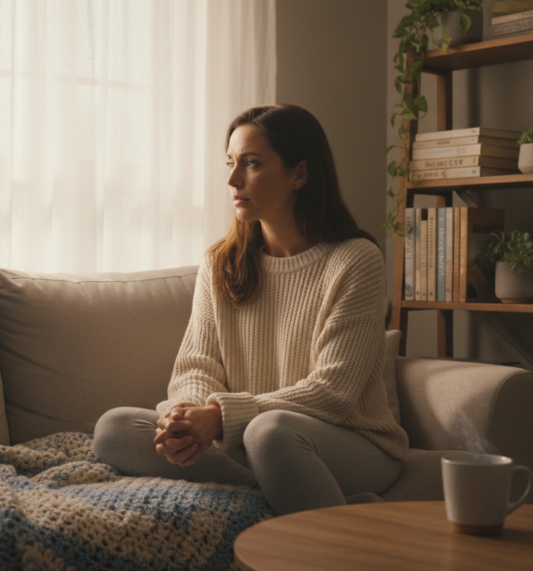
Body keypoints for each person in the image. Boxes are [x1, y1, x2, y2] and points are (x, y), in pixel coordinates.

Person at [93, 104, 408, 516]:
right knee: (114, 429)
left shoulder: (355, 260)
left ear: (300, 174)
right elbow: (195, 366)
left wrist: (221, 418)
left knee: (270, 433)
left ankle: (304, 501)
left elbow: (333, 393)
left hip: (347, 442)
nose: (232, 179)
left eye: (251, 164)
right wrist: (184, 419)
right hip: (245, 441)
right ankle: (284, 489)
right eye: (230, 163)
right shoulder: (220, 262)